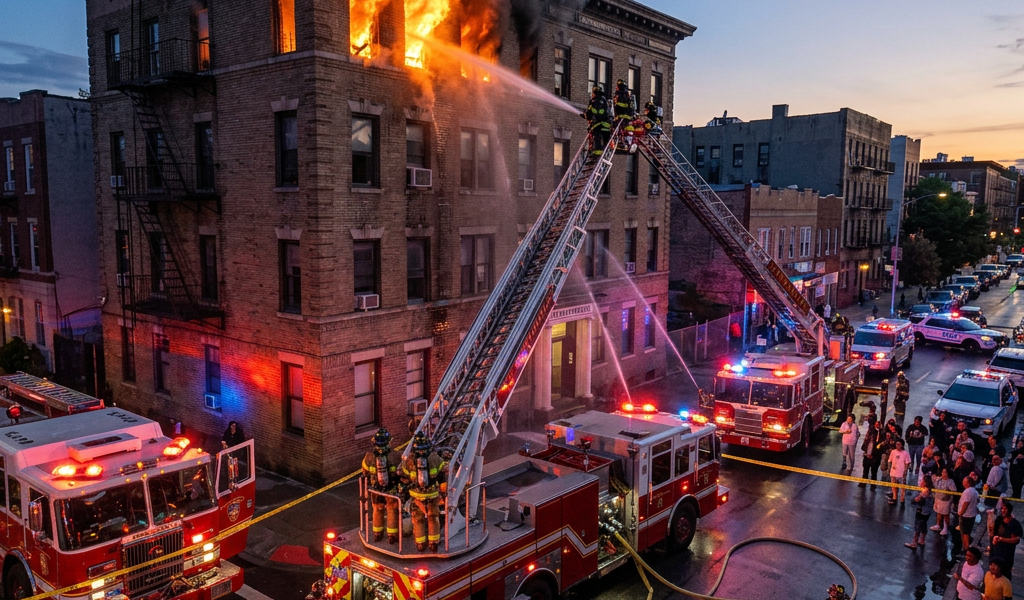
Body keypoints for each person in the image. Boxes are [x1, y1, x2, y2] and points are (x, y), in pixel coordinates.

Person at [402, 432, 443, 552]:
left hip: (416, 496)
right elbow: (444, 469)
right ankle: (433, 543)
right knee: (433, 518)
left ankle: (420, 544)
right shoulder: (434, 457)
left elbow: (404, 475)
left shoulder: (410, 459)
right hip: (432, 495)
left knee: (418, 519)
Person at [361, 428, 402, 543]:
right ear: (389, 441)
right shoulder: (395, 455)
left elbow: (364, 472)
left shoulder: (369, 456)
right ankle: (391, 536)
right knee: (391, 511)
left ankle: (377, 534)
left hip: (375, 490)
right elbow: (402, 473)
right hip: (391, 490)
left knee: (377, 510)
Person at [990, 501, 1022, 575]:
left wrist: (1002, 539)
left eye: (1005, 509)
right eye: (1002, 508)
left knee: (1005, 571)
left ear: (1009, 510)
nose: (1003, 510)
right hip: (996, 551)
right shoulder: (999, 520)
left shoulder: (1014, 524)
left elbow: (1016, 540)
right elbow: (993, 533)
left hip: (1007, 553)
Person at [906, 474, 934, 548]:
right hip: (927, 512)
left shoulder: (924, 492)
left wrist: (917, 498)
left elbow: (917, 500)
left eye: (922, 480)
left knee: (917, 526)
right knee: (924, 525)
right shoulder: (931, 492)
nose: (921, 482)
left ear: (925, 482)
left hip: (921, 511)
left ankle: (914, 543)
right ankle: (922, 540)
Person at [583, 86, 611, 156]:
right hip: (606, 124)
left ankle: (597, 153)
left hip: (597, 124)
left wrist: (586, 116)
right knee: (606, 138)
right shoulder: (604, 101)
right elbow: (608, 112)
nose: (592, 94)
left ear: (594, 93)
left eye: (592, 93)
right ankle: (606, 151)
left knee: (597, 138)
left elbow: (589, 113)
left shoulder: (592, 101)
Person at [932, 467, 958, 535]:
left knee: (946, 514)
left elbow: (954, 490)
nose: (943, 474)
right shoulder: (939, 479)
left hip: (946, 500)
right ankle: (938, 525)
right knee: (938, 512)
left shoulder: (950, 481)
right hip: (938, 498)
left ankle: (945, 528)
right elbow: (935, 485)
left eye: (945, 472)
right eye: (943, 472)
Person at [959, 476, 981, 553]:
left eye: (964, 482)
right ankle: (965, 547)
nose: (963, 483)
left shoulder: (967, 492)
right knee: (967, 532)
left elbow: (966, 503)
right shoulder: (975, 491)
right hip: (972, 514)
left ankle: (966, 548)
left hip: (966, 515)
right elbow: (978, 501)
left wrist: (961, 512)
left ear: (968, 483)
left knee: (965, 533)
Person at [888, 440, 912, 504]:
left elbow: (907, 463)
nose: (897, 446)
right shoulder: (893, 452)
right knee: (893, 486)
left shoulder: (905, 453)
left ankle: (902, 499)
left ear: (902, 445)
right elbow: (890, 461)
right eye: (896, 444)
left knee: (902, 487)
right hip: (893, 472)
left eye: (899, 444)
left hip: (901, 473)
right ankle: (894, 497)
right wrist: (889, 469)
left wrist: (905, 471)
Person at [860, 421, 881, 487]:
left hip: (875, 458)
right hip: (867, 456)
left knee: (874, 472)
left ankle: (873, 485)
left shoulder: (880, 434)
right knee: (865, 470)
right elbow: (865, 443)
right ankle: (863, 483)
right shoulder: (868, 442)